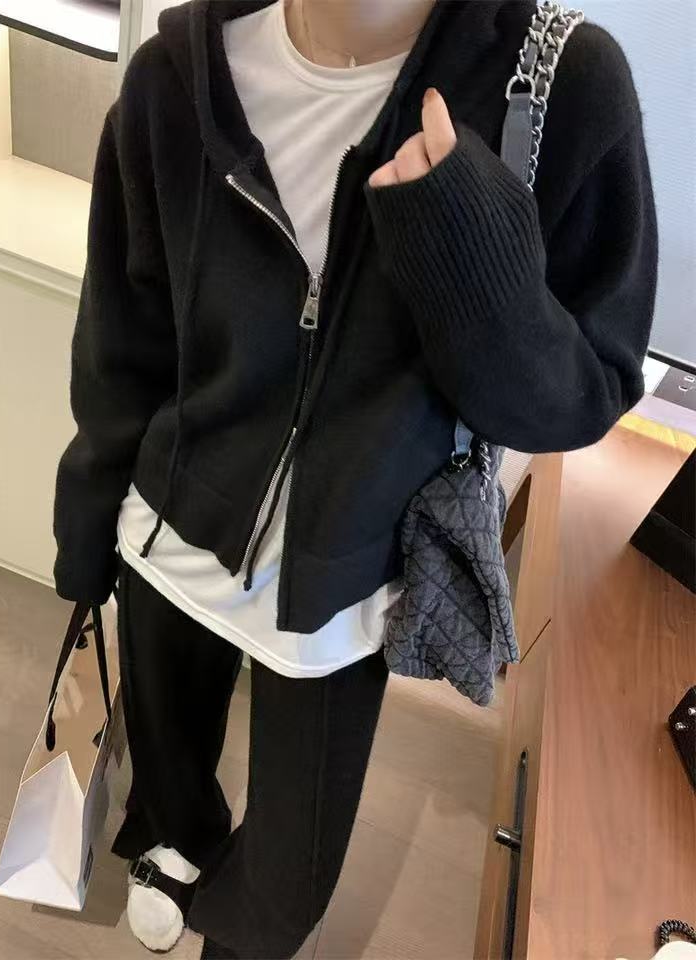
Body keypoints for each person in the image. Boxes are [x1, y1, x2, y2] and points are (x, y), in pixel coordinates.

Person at [51, 0, 657, 957]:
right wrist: (86, 531)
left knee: (284, 895)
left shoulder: (562, 83)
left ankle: (223, 919)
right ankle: (179, 852)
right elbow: (119, 346)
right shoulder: (180, 73)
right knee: (171, 782)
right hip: (169, 540)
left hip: (344, 594)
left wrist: (470, 247)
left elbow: (576, 402)